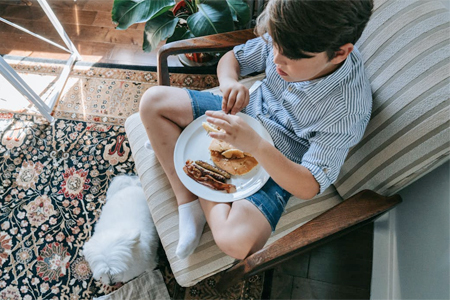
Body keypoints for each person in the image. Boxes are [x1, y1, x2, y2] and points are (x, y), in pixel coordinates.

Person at [139, 0, 374, 260]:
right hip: (244, 112)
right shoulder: (288, 32)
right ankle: (189, 204)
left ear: (340, 53)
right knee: (152, 103)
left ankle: (186, 160)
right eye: (274, 45)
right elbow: (233, 59)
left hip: (279, 163)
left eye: (291, 57)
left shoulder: (347, 110)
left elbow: (309, 186)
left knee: (237, 242)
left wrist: (256, 146)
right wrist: (229, 83)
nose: (275, 59)